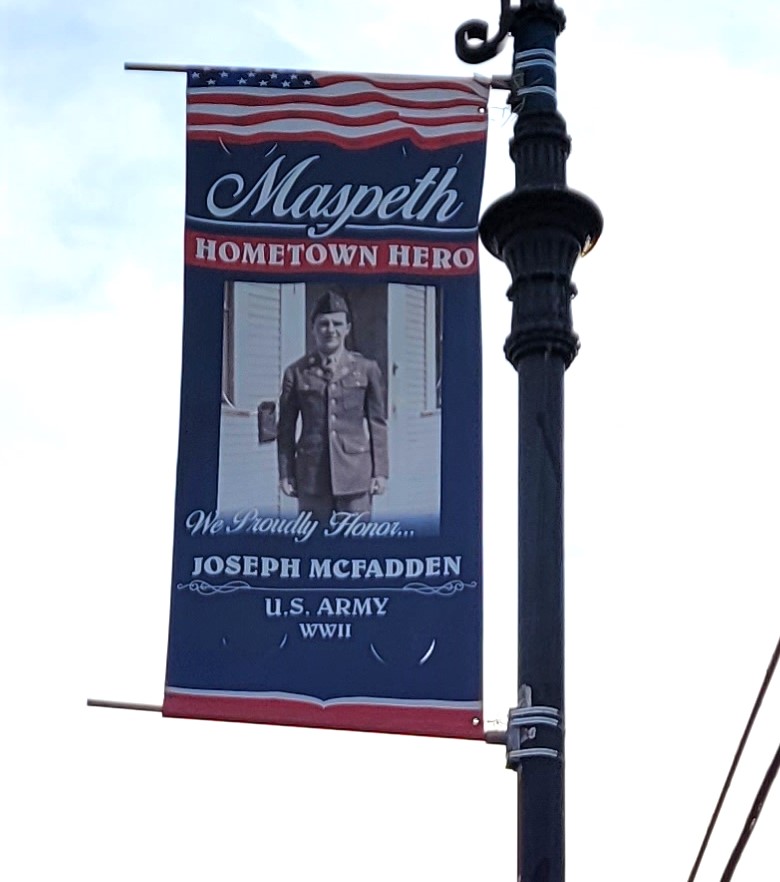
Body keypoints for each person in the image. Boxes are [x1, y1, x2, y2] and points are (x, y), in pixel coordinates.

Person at [277, 288, 388, 523]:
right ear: (313, 329)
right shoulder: (296, 372)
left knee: (356, 539)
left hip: (355, 474)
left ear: (347, 328)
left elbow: (377, 423)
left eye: (337, 324)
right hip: (311, 476)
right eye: (323, 324)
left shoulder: (366, 369)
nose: (331, 330)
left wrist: (380, 472)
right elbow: (285, 428)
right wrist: (285, 473)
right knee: (313, 540)